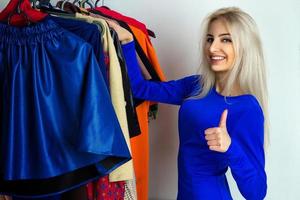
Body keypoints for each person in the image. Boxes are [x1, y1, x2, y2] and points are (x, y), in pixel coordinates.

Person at [108, 6, 268, 200]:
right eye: (210, 39)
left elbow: (257, 192)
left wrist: (230, 147)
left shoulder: (247, 107)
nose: (212, 48)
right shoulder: (196, 85)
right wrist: (127, 41)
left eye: (225, 39)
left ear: (244, 47)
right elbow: (140, 89)